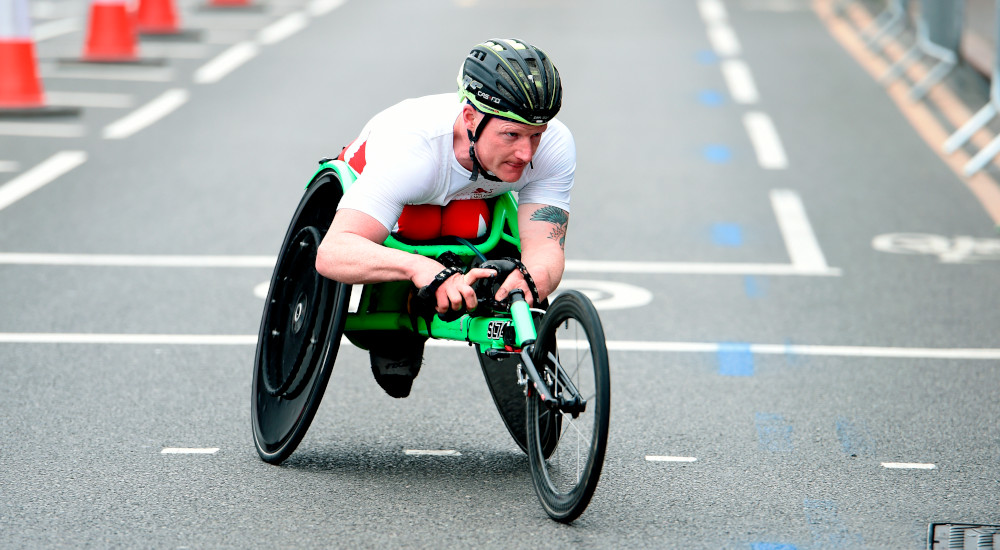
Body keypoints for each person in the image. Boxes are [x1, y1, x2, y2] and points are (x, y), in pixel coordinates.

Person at [315, 38, 575, 398]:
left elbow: (546, 243)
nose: (525, 152)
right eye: (511, 134)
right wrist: (423, 270)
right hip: (397, 203)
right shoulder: (412, 151)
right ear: (470, 118)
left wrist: (531, 280)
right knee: (415, 225)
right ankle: (398, 302)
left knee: (477, 225)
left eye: (536, 135)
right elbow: (333, 251)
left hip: (472, 201)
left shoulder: (556, 145)